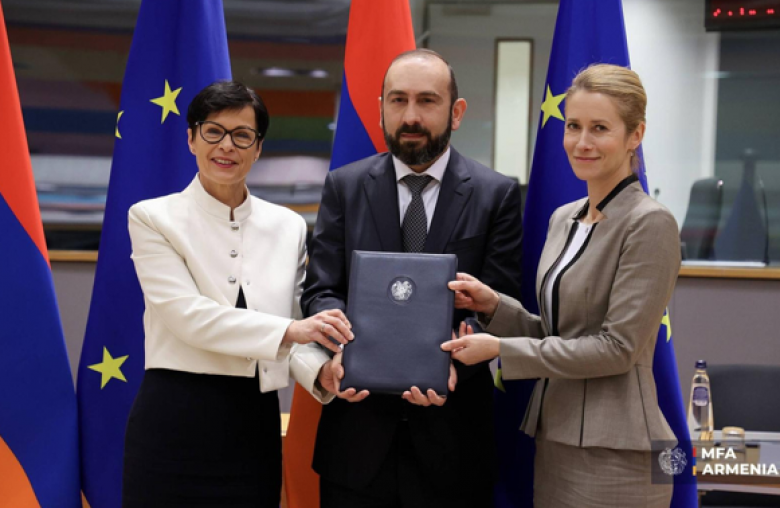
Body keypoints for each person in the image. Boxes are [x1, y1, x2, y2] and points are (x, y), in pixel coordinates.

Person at [442, 64, 680, 508]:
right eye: (573, 126)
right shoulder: (563, 218)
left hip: (619, 455)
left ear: (636, 135)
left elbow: (616, 348)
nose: (582, 142)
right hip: (556, 437)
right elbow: (562, 334)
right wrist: (495, 307)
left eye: (600, 128)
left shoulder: (651, 223)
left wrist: (500, 349)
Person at [303, 49, 523, 508]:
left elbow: (499, 302)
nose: (410, 117)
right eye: (398, 100)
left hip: (454, 443)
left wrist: (453, 361)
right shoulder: (344, 186)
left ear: (456, 112)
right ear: (381, 106)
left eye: (427, 101)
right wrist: (342, 345)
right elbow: (322, 289)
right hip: (356, 440)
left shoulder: (495, 194)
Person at [122, 80, 352, 508]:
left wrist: (321, 371)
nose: (226, 146)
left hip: (253, 423)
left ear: (258, 148)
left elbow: (296, 325)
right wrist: (294, 331)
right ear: (191, 138)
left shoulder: (287, 226)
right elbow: (189, 317)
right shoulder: (152, 217)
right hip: (173, 418)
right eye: (213, 131)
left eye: (242, 135)